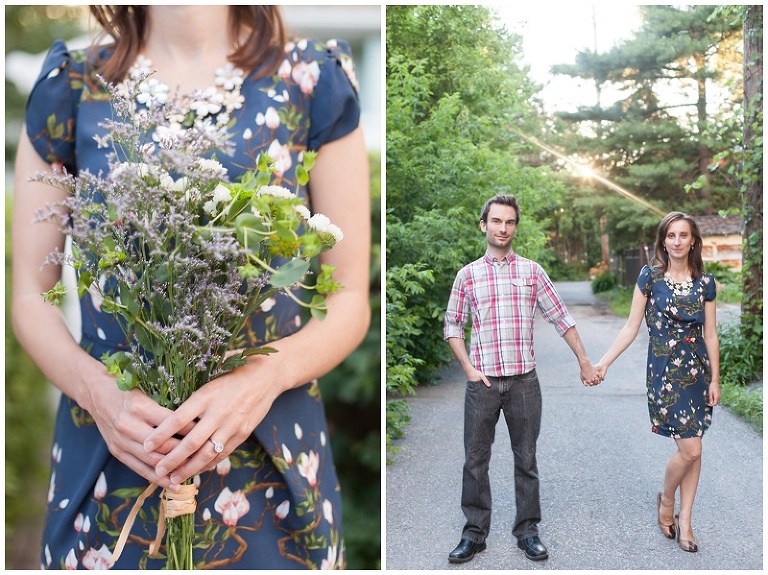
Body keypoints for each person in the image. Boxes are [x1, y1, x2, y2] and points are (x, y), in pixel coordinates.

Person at [12, 6, 370, 569]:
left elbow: (348, 297)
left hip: (270, 447)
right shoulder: (73, 86)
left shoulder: (310, 82)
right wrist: (101, 395)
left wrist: (263, 376)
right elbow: (30, 295)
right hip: (116, 444)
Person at [443, 194, 600, 564]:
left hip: (524, 383)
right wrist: (468, 368)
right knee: (475, 460)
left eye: (509, 222)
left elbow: (561, 317)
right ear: (484, 225)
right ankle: (474, 534)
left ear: (515, 227)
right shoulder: (468, 275)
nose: (503, 228)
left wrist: (585, 362)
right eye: (496, 221)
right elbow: (453, 325)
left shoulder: (532, 272)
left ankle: (528, 532)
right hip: (482, 383)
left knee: (526, 459)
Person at [594, 211, 720, 553]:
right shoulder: (650, 277)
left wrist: (716, 379)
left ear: (693, 240)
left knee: (694, 447)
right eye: (671, 235)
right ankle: (667, 498)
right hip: (664, 372)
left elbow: (710, 333)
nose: (677, 241)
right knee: (691, 449)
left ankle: (686, 520)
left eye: (683, 235)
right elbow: (630, 327)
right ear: (663, 241)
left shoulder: (705, 283)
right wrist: (604, 362)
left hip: (697, 373)